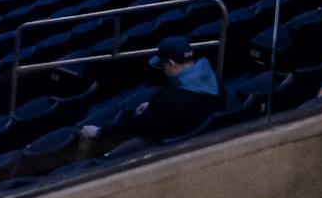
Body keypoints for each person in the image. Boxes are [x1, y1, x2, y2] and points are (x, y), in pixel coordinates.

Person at [81, 36, 221, 149]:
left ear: (171, 63)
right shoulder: (212, 78)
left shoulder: (170, 99)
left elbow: (139, 124)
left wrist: (99, 131)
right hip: (197, 127)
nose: (164, 70)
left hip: (171, 139)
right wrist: (152, 107)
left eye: (163, 64)